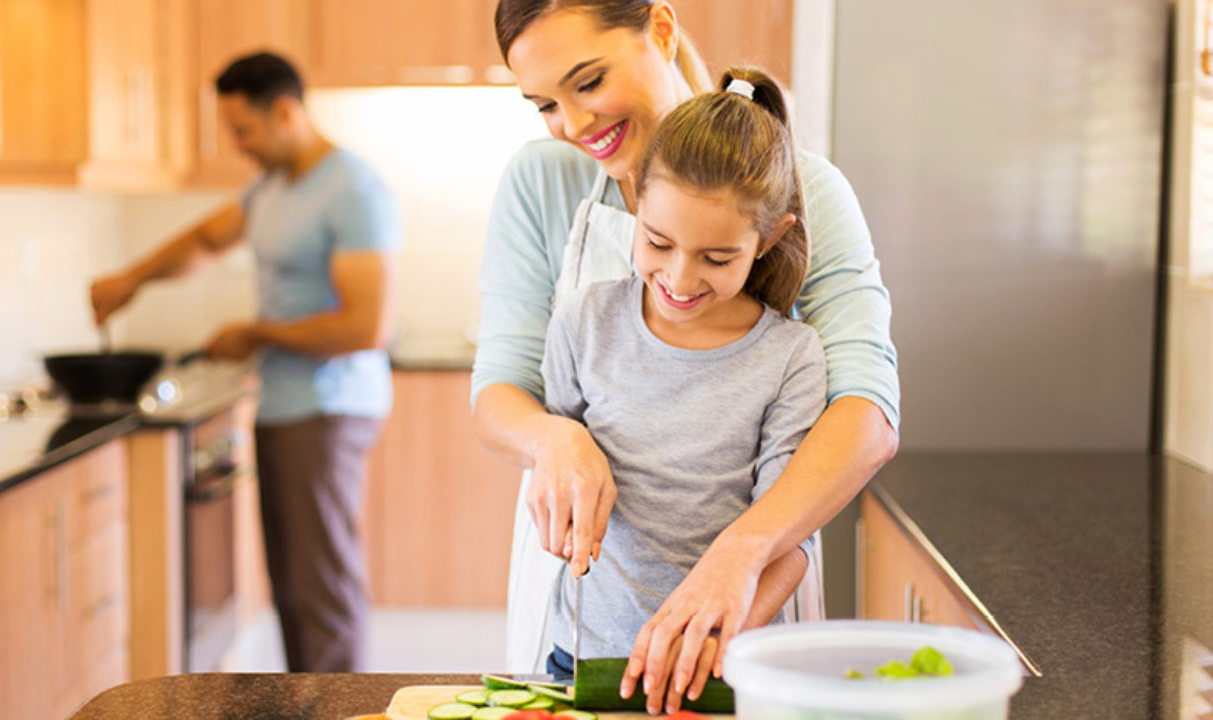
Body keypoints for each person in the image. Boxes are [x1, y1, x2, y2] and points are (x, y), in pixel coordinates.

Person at [471, 0, 900, 709]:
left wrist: (742, 553)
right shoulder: (539, 185)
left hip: (745, 616)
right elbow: (498, 397)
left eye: (587, 82)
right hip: (583, 623)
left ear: (661, 31)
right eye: (544, 104)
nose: (574, 126)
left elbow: (867, 414)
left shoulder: (806, 189)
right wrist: (555, 437)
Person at [89, 51, 401, 673]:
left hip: (329, 407)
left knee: (321, 591)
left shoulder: (352, 189)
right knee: (291, 587)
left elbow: (366, 327)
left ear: (284, 112)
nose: (237, 145)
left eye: (242, 130)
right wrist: (133, 278)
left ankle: (342, 713)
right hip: (286, 405)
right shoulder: (271, 187)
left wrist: (255, 333)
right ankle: (309, 707)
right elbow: (206, 240)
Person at [540, 67, 825, 710]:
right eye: (657, 242)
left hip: (724, 665)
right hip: (584, 655)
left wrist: (709, 643)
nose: (677, 278)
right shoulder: (584, 319)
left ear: (769, 238)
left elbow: (789, 539)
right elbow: (556, 456)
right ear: (636, 201)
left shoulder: (789, 357)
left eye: (716, 259)